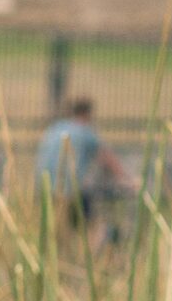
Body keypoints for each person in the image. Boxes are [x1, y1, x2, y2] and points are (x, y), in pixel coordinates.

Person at [35, 99, 129, 239]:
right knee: (89, 226)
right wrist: (127, 179)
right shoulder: (85, 131)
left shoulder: (54, 128)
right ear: (87, 114)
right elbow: (108, 159)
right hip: (71, 191)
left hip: (44, 189)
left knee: (54, 231)